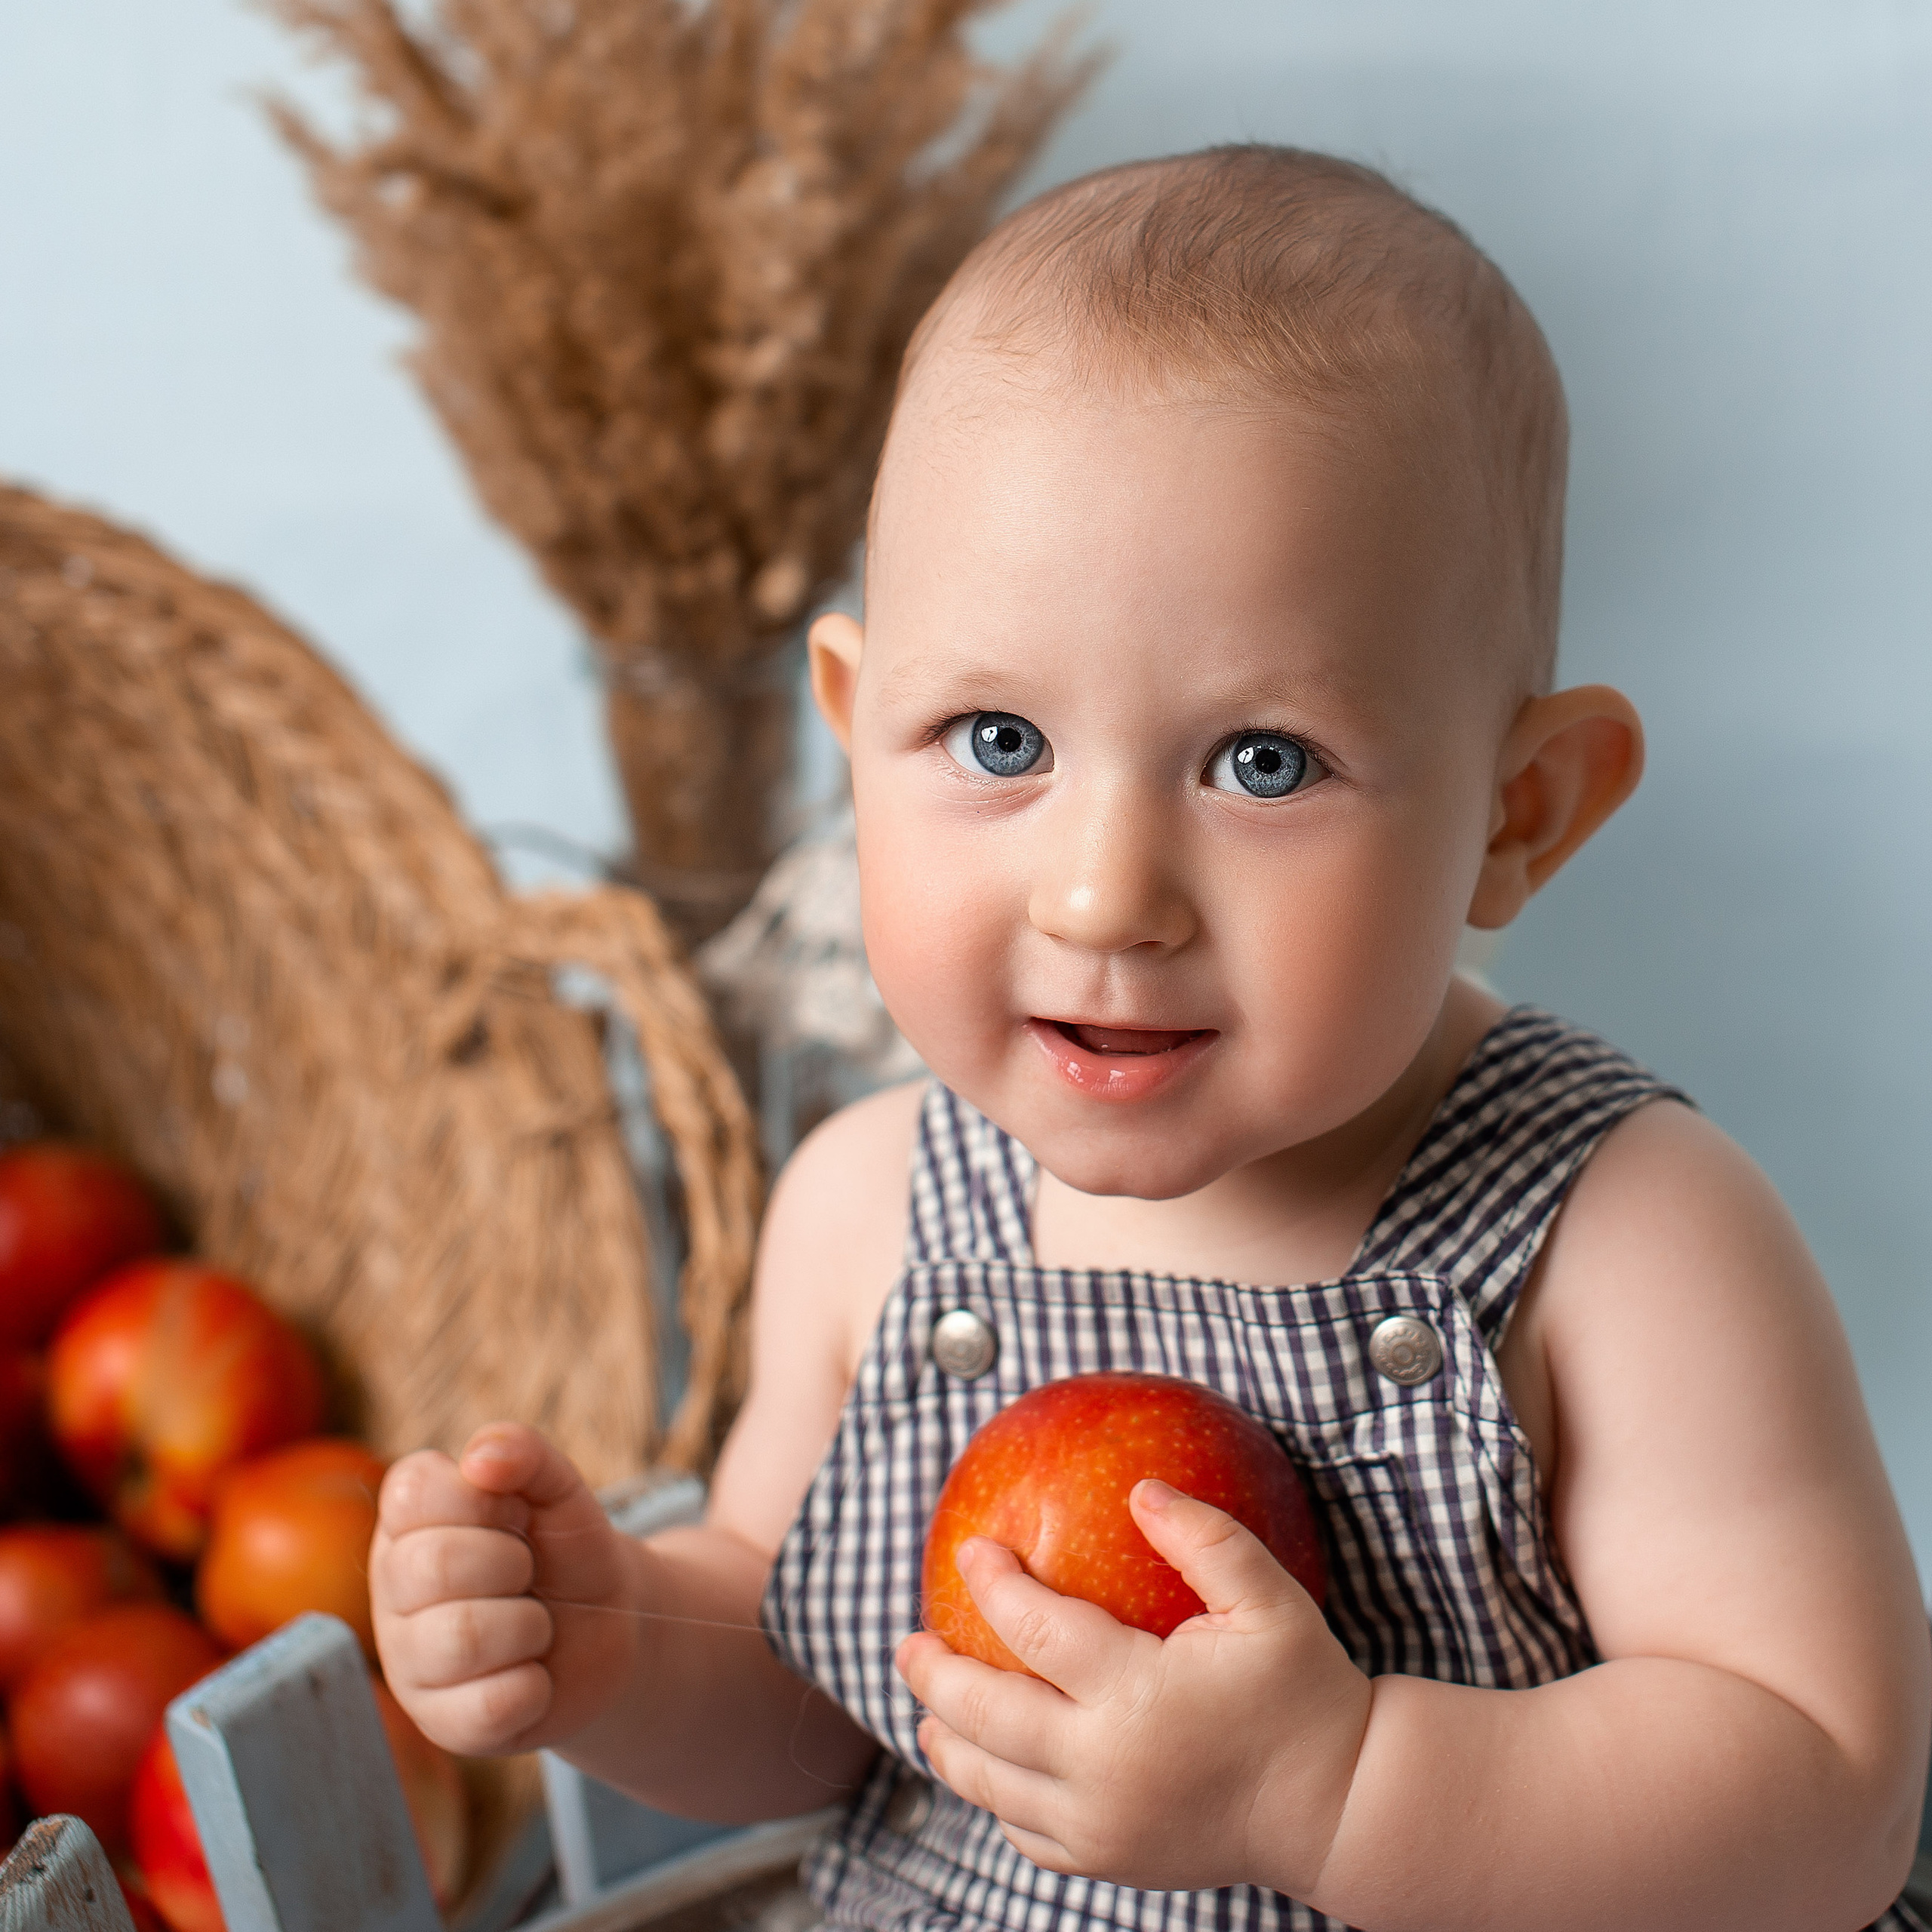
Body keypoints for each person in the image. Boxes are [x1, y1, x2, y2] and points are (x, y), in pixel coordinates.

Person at [368, 146, 1930, 1930]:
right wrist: (613, 1643)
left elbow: (1819, 1791)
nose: (1103, 894)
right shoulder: (868, 1209)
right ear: (852, 727)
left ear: (1517, 811)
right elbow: (821, 1706)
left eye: (1261, 760)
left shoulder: (1622, 1231)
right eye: (996, 741)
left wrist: (1331, 1786)